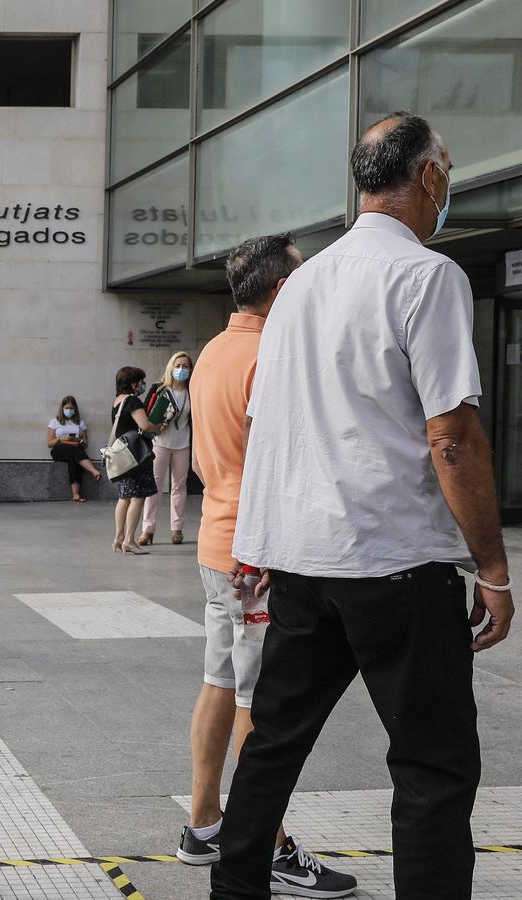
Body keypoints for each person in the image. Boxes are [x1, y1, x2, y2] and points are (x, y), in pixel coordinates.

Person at [212, 113, 515, 899]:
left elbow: (274, 426)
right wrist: (491, 565)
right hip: (395, 563)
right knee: (433, 764)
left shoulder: (301, 284)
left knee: (273, 745)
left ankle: (234, 889)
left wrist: (259, 547)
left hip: (304, 562)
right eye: (444, 167)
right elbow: (451, 435)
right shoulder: (427, 276)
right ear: (427, 179)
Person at [177, 234, 357, 897]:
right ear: (282, 290)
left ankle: (203, 825)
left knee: (220, 684)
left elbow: (206, 463)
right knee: (260, 703)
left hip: (216, 547)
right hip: (255, 557)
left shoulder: (213, 353)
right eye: (304, 276)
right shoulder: (271, 357)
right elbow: (279, 467)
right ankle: (270, 843)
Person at [110, 367, 164, 555]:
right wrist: (157, 427)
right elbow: (145, 425)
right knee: (137, 497)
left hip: (123, 455)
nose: (143, 385)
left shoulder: (118, 401)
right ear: (134, 383)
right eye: (141, 381)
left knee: (124, 498)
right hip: (136, 455)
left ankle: (118, 537)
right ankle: (129, 540)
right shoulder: (132, 401)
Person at [140, 352, 193, 545]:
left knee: (179, 486)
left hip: (183, 444)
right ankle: (148, 529)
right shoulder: (159, 389)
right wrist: (156, 425)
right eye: (178, 365)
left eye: (186, 366)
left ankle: (177, 528)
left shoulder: (192, 391)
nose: (182, 370)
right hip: (160, 444)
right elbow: (146, 414)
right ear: (171, 367)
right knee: (154, 486)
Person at [47, 395, 101, 502]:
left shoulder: (80, 423)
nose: (69, 410)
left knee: (74, 459)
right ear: (62, 408)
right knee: (73, 452)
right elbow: (49, 443)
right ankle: (93, 470)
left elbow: (85, 444)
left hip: (75, 449)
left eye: (71, 408)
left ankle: (76, 494)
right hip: (59, 449)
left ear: (75, 409)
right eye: (67, 408)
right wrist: (61, 439)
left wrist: (79, 441)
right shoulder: (55, 421)